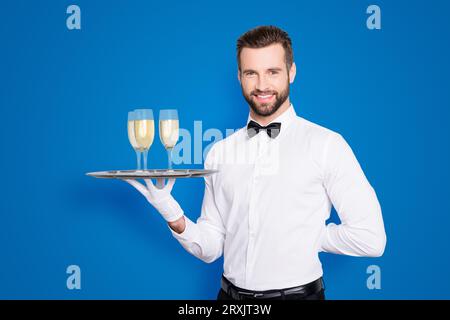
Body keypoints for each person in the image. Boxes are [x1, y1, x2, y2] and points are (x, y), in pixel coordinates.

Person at [125, 25, 387, 301]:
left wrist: (310, 236)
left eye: (272, 72)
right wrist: (172, 215)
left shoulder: (327, 145)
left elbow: (370, 238)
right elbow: (211, 247)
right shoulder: (220, 152)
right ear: (239, 77)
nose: (262, 85)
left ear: (292, 72)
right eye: (252, 73)